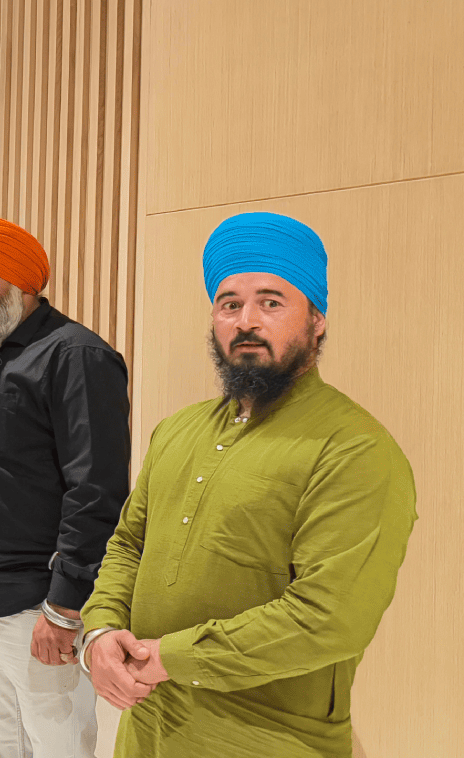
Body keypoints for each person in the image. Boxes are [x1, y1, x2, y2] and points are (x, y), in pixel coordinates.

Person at [80, 212, 417, 757]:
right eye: (230, 304)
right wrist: (99, 632)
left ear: (317, 319)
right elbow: (128, 545)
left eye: (272, 302)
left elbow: (328, 619)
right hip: (149, 729)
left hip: (268, 739)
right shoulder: (177, 430)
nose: (247, 321)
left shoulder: (354, 448)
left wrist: (171, 658)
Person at [0, 217, 130, 758]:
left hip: (38, 608)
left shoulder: (75, 355)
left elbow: (96, 492)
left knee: (58, 745)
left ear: (23, 281)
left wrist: (64, 608)